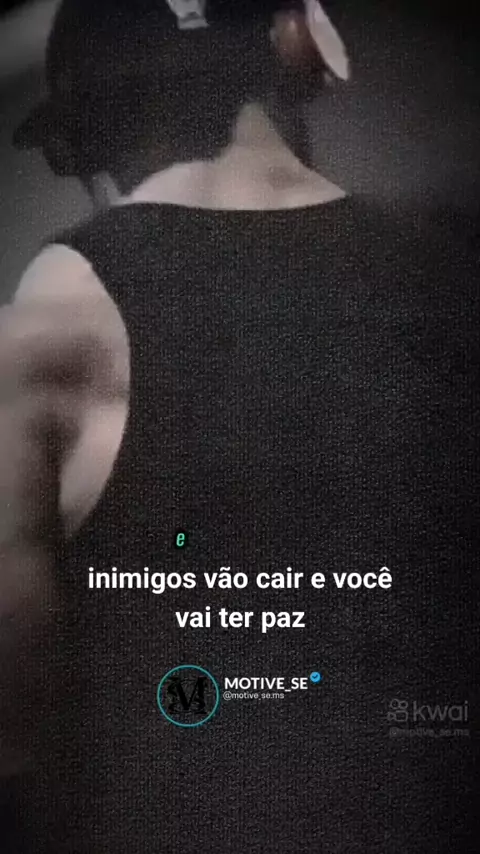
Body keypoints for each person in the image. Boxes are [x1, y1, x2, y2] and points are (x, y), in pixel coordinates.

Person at [0, 1, 478, 852]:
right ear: (296, 66)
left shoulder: (53, 316)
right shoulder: (452, 270)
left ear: (91, 133)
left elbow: (16, 718)